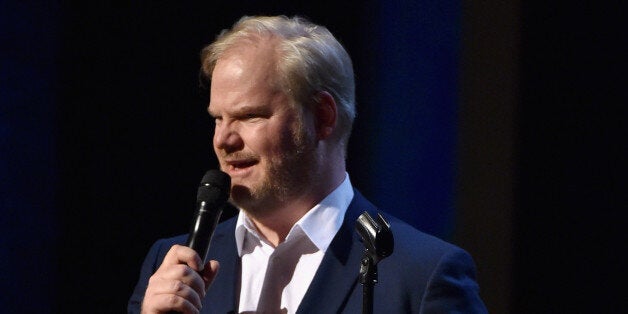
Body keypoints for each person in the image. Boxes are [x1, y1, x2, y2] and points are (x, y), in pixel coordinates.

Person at [128, 15, 487, 314]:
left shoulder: (419, 276)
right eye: (218, 118)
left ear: (322, 117)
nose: (224, 139)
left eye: (250, 116)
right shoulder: (172, 266)